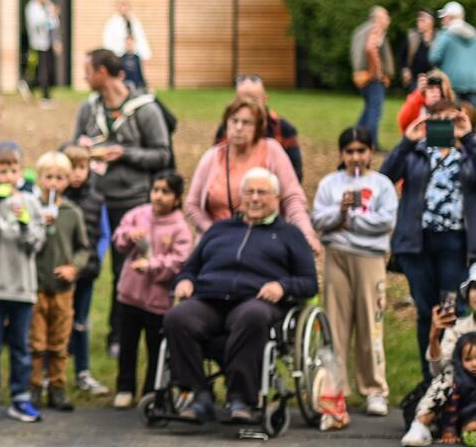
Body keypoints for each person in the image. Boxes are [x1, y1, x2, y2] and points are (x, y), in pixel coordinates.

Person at [165, 168, 318, 423]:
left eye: (262, 192)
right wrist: (185, 282)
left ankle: (240, 398)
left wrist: (282, 286)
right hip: (210, 299)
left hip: (256, 301)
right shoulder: (219, 229)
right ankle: (198, 394)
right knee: (176, 317)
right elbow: (190, 268)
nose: (255, 198)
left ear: (276, 198)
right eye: (249, 192)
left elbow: (309, 282)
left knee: (251, 317)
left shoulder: (289, 234)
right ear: (240, 196)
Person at [71, 48, 173, 355]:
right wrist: (81, 147)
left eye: (87, 70)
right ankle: (74, 338)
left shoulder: (145, 108)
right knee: (84, 267)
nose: (84, 76)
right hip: (91, 201)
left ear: (103, 72)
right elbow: (71, 146)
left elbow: (162, 154)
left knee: (123, 269)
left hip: (130, 201)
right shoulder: (89, 107)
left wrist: (124, 153)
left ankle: (117, 336)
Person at [380, 101, 476, 379]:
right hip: (417, 243)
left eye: (451, 120)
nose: (444, 126)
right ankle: (430, 378)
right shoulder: (416, 152)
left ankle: (458, 379)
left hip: (454, 245)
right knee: (425, 312)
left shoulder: (468, 153)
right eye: (438, 120)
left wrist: (467, 138)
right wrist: (407, 142)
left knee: (452, 310)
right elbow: (384, 179)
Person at [311, 127, 398, 417]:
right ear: (341, 154)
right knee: (336, 324)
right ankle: (336, 388)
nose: (356, 157)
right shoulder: (330, 184)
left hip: (370, 258)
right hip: (337, 257)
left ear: (371, 153)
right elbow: (319, 219)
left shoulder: (382, 184)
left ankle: (374, 388)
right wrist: (341, 213)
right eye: (349, 151)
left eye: (361, 151)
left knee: (370, 322)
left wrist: (352, 224)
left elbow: (385, 222)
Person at [0, 144, 46, 423]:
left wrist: (24, 222)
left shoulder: (31, 202)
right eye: (2, 170)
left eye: (13, 170)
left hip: (22, 289)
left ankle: (20, 398)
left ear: (21, 173)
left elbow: (35, 244)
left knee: (20, 347)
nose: (8, 176)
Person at [186, 98, 319, 250]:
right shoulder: (213, 156)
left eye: (246, 122)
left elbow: (292, 198)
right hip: (218, 245)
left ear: (257, 127)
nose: (239, 127)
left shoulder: (272, 151)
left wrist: (306, 233)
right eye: (234, 121)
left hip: (264, 242)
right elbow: (192, 204)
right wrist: (212, 231)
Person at [112, 172, 192, 408]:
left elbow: (179, 261)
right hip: (129, 295)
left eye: (165, 192)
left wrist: (152, 265)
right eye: (155, 190)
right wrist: (129, 236)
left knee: (155, 349)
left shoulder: (180, 228)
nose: (158, 196)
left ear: (177, 199)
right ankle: (125, 387)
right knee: (127, 345)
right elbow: (119, 238)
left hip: (158, 303)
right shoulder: (138, 214)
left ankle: (151, 392)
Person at [29, 151, 91, 413]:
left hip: (63, 290)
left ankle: (57, 387)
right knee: (36, 342)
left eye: (59, 178)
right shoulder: (32, 208)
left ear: (67, 181)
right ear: (40, 179)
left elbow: (83, 248)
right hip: (36, 286)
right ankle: (32, 388)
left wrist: (73, 268)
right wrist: (38, 224)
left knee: (59, 341)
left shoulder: (71, 212)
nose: (53, 183)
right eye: (49, 177)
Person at [402, 279, 476, 447]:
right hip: (462, 394)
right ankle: (421, 424)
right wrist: (434, 336)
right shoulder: (458, 327)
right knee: (448, 374)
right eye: (475, 288)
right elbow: (438, 370)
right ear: (467, 293)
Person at [62, 145, 109, 397]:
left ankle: (82, 372)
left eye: (83, 167)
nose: (78, 174)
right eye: (73, 168)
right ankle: (51, 372)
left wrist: (96, 260)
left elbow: (103, 234)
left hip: (86, 273)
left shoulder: (96, 199)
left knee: (81, 322)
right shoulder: (57, 199)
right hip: (59, 274)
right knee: (58, 323)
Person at [212, 74, 304, 181]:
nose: (248, 105)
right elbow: (215, 168)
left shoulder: (283, 129)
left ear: (265, 99)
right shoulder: (226, 129)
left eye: (254, 100)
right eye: (242, 101)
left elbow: (295, 175)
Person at [350, 5, 393, 144]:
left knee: (369, 110)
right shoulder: (376, 29)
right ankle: (372, 142)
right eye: (386, 16)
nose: (389, 19)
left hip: (360, 76)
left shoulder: (360, 30)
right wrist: (378, 72)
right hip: (372, 78)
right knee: (375, 111)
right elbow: (370, 48)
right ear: (378, 18)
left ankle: (354, 136)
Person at [430, 1, 476, 104]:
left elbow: (434, 58)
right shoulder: (474, 35)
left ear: (449, 18)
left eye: (444, 17)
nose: (442, 20)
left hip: (452, 83)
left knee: (454, 116)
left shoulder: (445, 35)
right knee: (473, 117)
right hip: (474, 83)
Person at [102, 0, 152, 90]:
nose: (123, 9)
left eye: (125, 7)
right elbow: (108, 40)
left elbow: (140, 38)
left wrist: (144, 53)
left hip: (133, 54)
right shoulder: (112, 23)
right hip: (118, 54)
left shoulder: (134, 22)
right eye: (121, 7)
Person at [24, 0, 61, 102]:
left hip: (49, 43)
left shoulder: (48, 5)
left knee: (48, 70)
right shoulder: (32, 7)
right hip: (38, 44)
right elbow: (36, 24)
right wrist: (50, 15)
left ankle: (29, 85)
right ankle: (45, 96)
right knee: (43, 70)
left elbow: (54, 25)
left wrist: (57, 41)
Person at [397, 70, 454, 135]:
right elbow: (403, 123)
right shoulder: (418, 106)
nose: (435, 93)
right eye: (431, 88)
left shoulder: (452, 111)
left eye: (439, 89)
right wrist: (418, 94)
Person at [399, 9, 436, 91]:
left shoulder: (439, 37)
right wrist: (405, 70)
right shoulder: (411, 36)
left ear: (431, 22)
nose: (419, 23)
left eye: (423, 20)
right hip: (415, 79)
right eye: (418, 20)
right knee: (415, 101)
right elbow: (402, 55)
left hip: (434, 78)